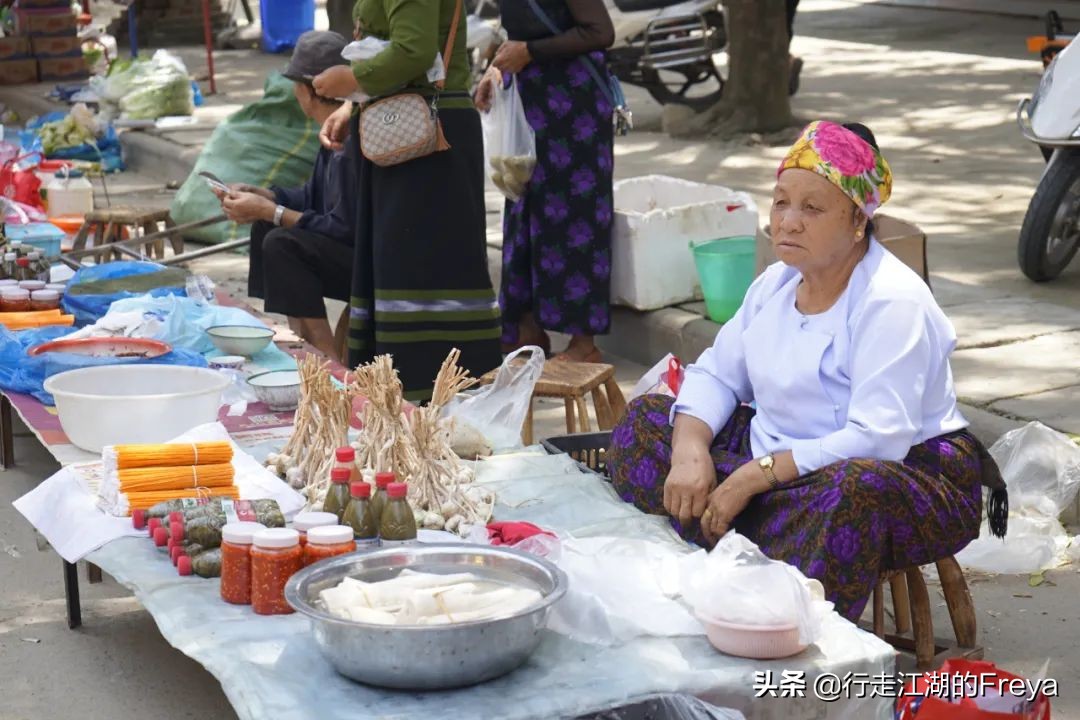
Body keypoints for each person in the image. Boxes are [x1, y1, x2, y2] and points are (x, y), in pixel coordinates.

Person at [607, 121, 1006, 622]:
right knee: (646, 422)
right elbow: (716, 375)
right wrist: (690, 453)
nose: (788, 222)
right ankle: (749, 543)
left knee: (849, 496)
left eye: (812, 208)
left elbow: (879, 438)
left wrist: (752, 478)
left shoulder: (892, 300)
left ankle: (759, 578)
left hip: (899, 473)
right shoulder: (775, 284)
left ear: (858, 222)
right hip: (781, 468)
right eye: (780, 203)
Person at [312, 0, 502, 401]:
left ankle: (438, 406)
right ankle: (408, 406)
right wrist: (354, 102)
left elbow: (413, 50)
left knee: (422, 272)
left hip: (429, 142)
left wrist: (351, 78)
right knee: (399, 270)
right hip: (404, 128)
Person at [476, 0, 616, 362]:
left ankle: (584, 345)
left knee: (576, 219)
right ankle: (526, 330)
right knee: (524, 211)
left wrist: (530, 52)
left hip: (575, 107)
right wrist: (496, 72)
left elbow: (600, 31)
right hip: (533, 100)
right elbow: (520, 33)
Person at [216, 31, 357, 360]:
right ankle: (299, 335)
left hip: (364, 264)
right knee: (265, 229)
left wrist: (271, 211)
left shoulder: (348, 143)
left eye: (296, 86)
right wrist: (263, 196)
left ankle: (327, 355)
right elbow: (312, 196)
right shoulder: (330, 133)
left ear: (309, 90)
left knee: (281, 242)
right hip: (340, 247)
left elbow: (342, 228)